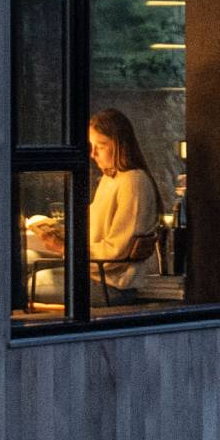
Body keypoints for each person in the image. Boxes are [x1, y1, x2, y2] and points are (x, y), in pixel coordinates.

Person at [84, 108, 179, 300]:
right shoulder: (109, 179)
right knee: (30, 255)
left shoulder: (133, 182)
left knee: (28, 280)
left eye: (100, 146)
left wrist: (66, 248)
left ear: (119, 145)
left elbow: (117, 251)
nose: (93, 154)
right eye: (91, 146)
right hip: (97, 275)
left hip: (113, 284)